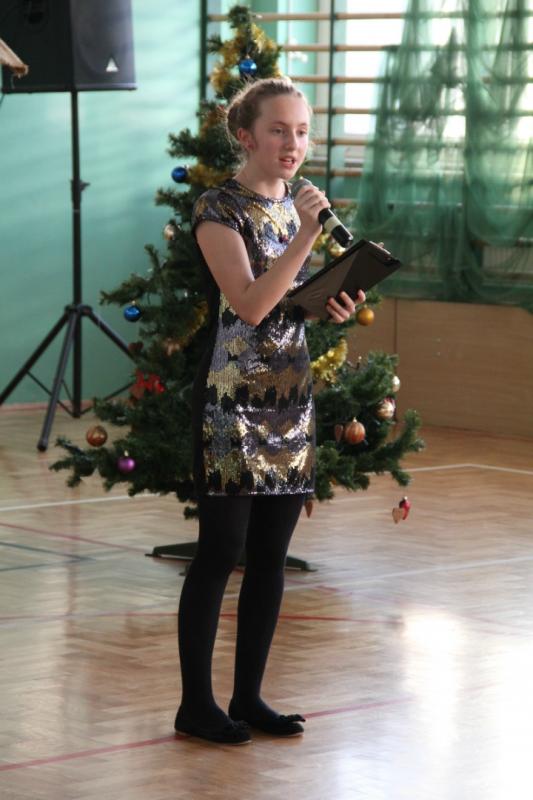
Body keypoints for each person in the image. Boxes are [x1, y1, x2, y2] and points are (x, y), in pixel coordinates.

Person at [175, 77, 365, 745]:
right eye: (279, 130)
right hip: (232, 400)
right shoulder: (217, 208)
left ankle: (248, 697)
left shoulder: (293, 207)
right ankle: (196, 706)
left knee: (270, 557)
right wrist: (307, 237)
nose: (293, 143)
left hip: (289, 398)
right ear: (246, 136)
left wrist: (328, 302)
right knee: (219, 551)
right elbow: (251, 305)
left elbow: (288, 304)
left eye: (302, 131)